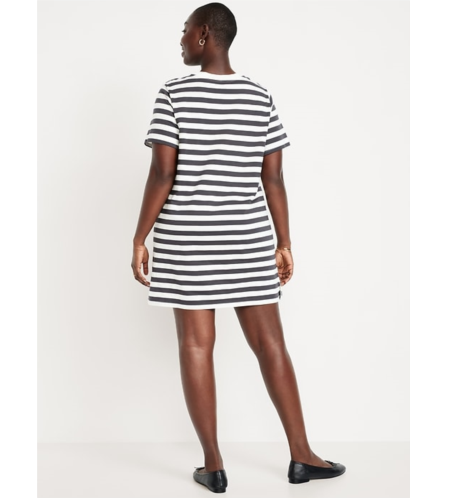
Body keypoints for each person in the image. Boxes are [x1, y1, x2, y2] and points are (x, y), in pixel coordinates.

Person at [131, 3, 346, 494]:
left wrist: (140, 237)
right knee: (271, 344)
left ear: (204, 34)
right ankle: (302, 456)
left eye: (185, 30)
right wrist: (284, 242)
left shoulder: (173, 94)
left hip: (188, 239)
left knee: (195, 345)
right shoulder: (259, 96)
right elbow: (274, 177)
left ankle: (213, 466)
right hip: (247, 239)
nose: (181, 39)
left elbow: (163, 173)